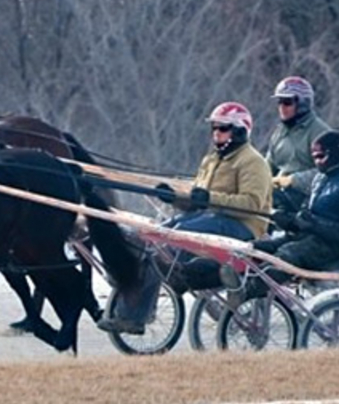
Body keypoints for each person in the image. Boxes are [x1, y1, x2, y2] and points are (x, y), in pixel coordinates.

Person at [98, 102, 273, 335]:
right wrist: (174, 197)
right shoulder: (211, 159)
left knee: (173, 237)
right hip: (210, 216)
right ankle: (132, 316)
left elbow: (252, 204)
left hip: (242, 226)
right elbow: (197, 198)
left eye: (222, 129)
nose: (216, 134)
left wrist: (210, 198)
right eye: (214, 129)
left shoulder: (253, 161)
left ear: (240, 131)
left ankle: (179, 274)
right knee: (154, 238)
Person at [221, 130, 339, 307]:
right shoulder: (321, 179)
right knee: (259, 248)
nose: (317, 162)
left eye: (321, 157)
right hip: (312, 237)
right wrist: (290, 221)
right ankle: (236, 281)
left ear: (336, 153)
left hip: (338, 247)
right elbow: (306, 214)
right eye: (314, 157)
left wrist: (313, 225)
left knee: (287, 255)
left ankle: (247, 292)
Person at [265, 76, 332, 215]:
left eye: (287, 102)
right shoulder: (279, 132)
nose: (282, 107)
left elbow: (329, 173)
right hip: (278, 194)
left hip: (307, 200)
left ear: (302, 103)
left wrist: (292, 180)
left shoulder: (321, 133)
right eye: (279, 102)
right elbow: (267, 166)